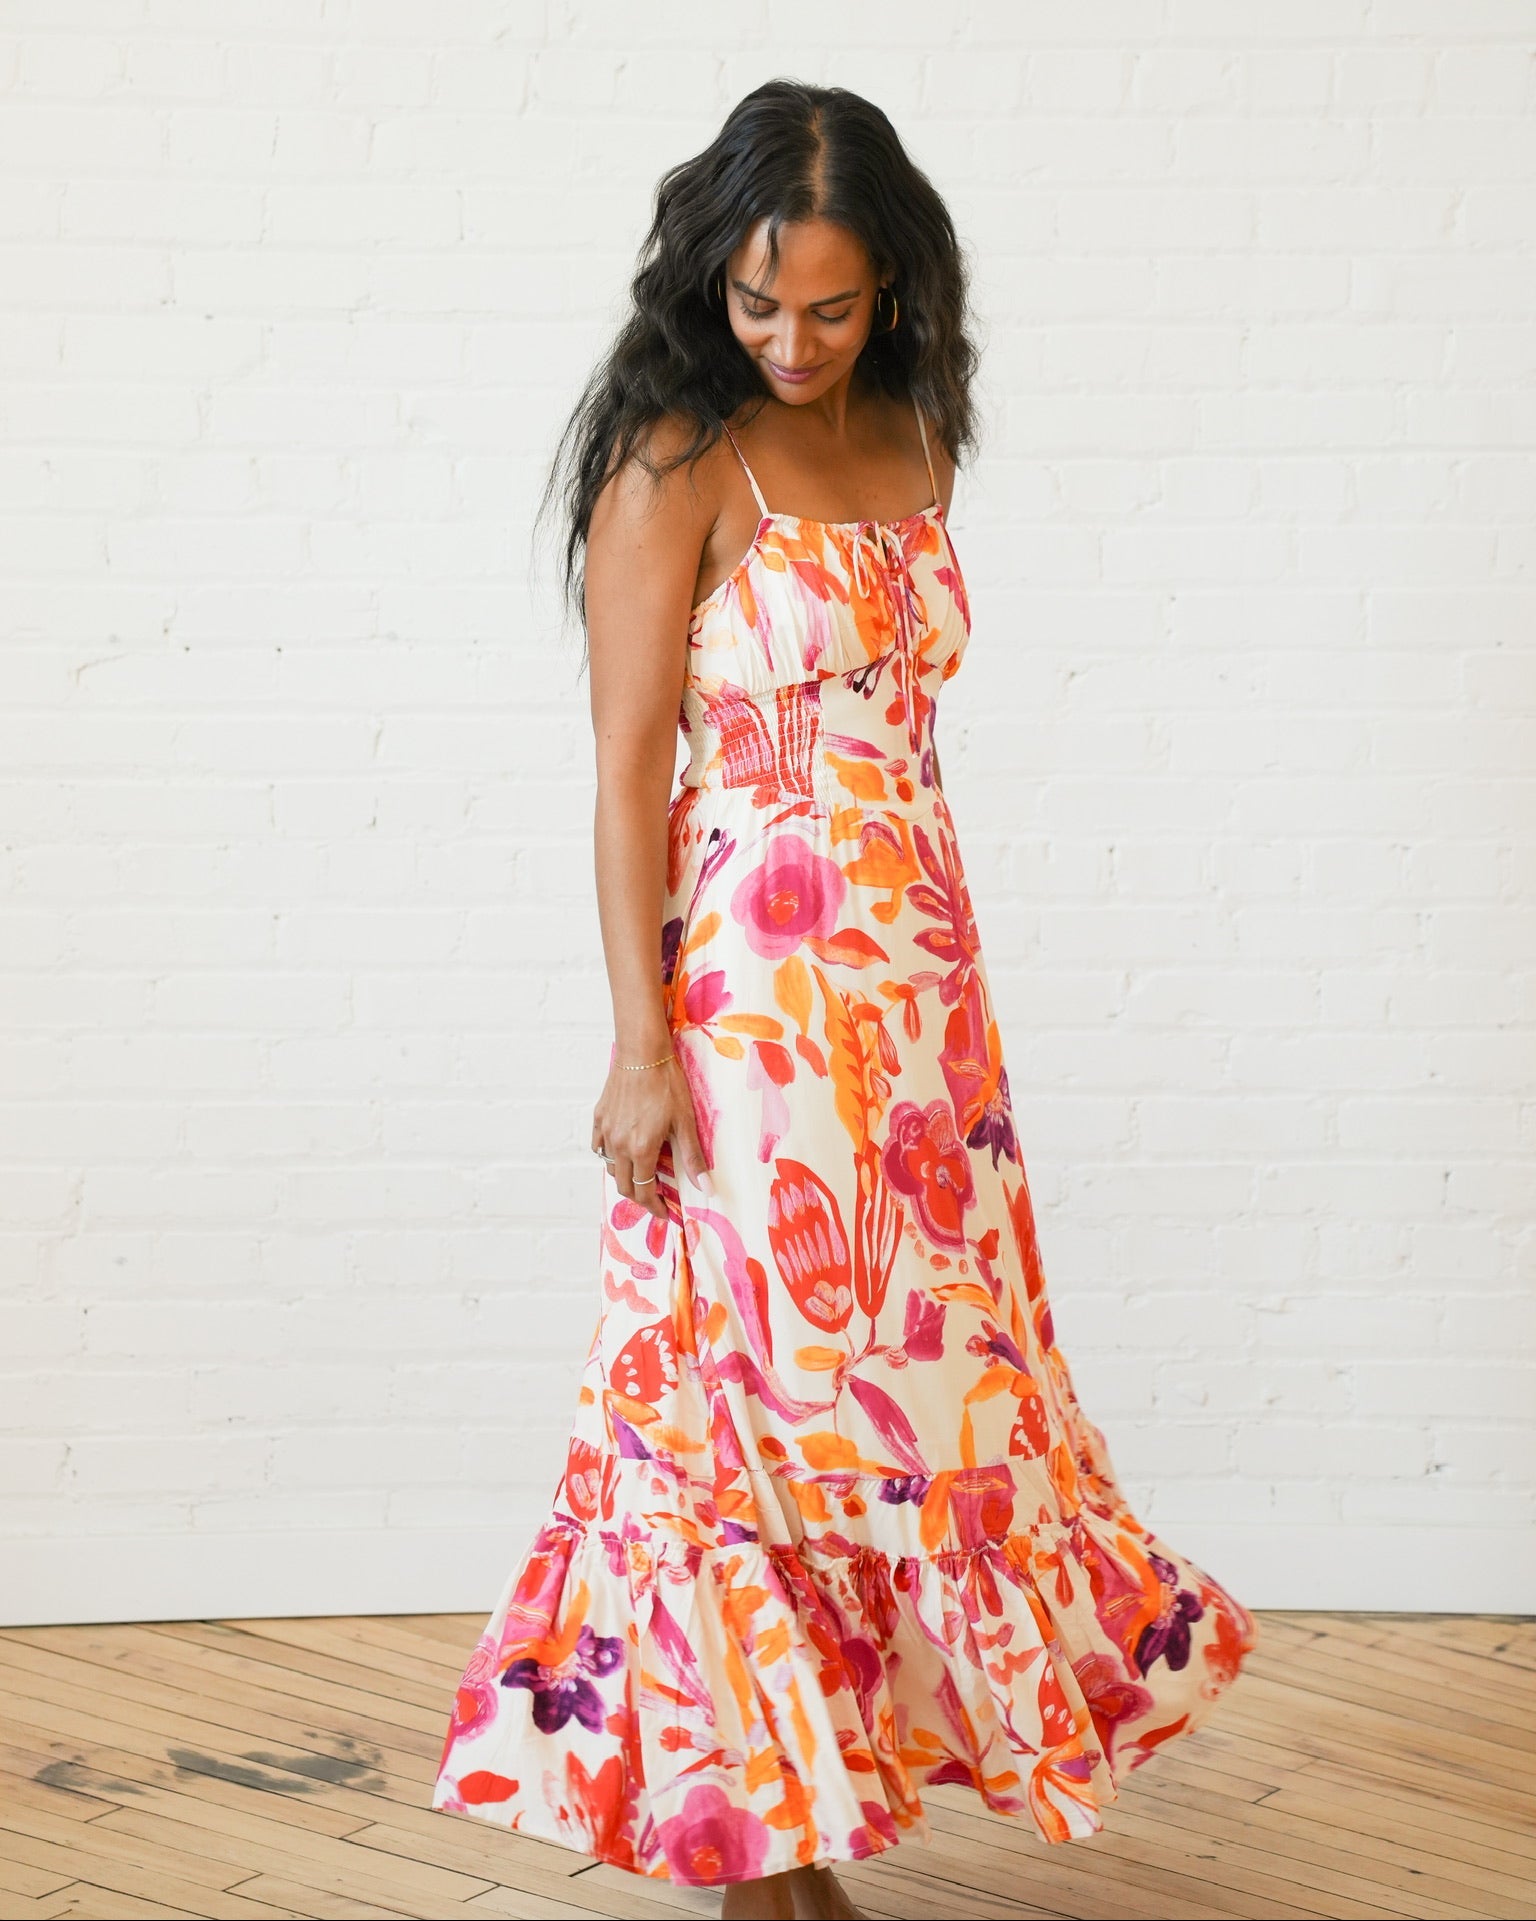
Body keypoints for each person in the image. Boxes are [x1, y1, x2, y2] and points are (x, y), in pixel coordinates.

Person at [431, 78, 1258, 1921]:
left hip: (922, 1003)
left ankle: (810, 1838)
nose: (791, 342)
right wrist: (640, 1044)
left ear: (893, 287)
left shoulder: (914, 428)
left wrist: (940, 1019)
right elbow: (626, 769)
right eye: (757, 303)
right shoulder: (677, 459)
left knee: (911, 1401)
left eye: (829, 306)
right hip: (752, 1006)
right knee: (752, 1405)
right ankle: (764, 1860)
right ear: (706, 279)